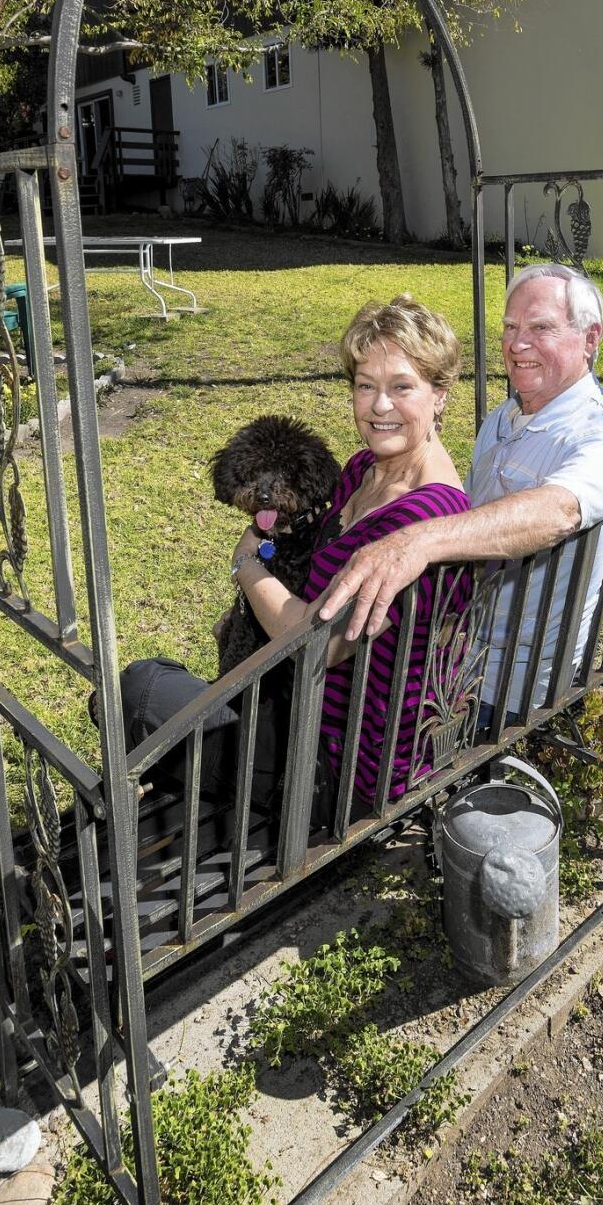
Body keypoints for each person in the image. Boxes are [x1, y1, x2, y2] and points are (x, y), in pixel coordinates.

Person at [117, 294, 470, 824]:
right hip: (290, 709)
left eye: (402, 386)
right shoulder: (366, 470)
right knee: (164, 690)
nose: (379, 406)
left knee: (138, 691)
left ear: (440, 394)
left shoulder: (423, 518)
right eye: (365, 385)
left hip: (333, 765)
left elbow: (317, 643)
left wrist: (246, 565)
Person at [316, 264, 603, 719]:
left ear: (590, 339)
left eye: (541, 328)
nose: (517, 343)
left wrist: (417, 541)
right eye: (510, 327)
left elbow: (558, 511)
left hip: (509, 681)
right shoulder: (503, 419)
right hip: (453, 653)